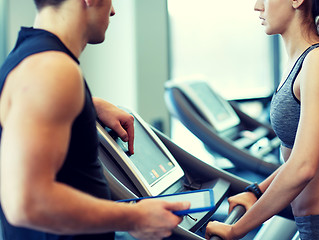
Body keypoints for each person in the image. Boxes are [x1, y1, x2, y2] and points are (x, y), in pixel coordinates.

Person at [0, 0, 190, 239]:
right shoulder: (53, 70)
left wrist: (87, 105)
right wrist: (136, 217)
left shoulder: (31, 57)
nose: (112, 10)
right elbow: (28, 203)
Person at [205, 0, 319, 239]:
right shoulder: (299, 61)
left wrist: (236, 229)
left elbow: (303, 168)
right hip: (312, 226)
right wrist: (255, 191)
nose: (257, 6)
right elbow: (296, 158)